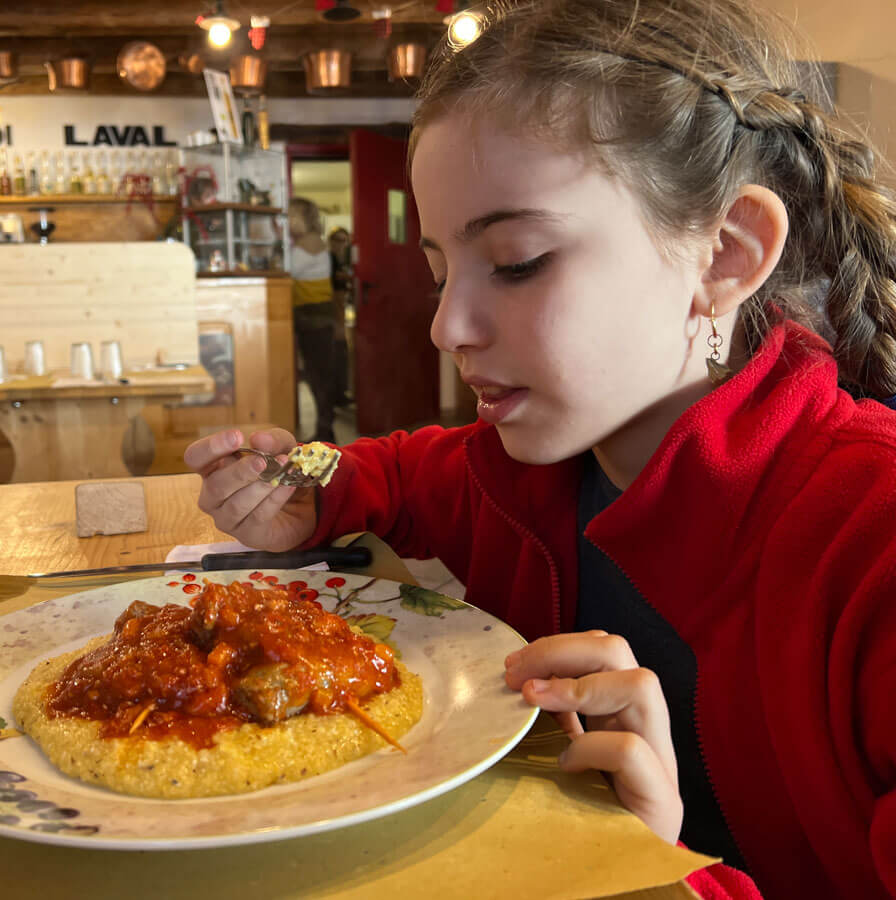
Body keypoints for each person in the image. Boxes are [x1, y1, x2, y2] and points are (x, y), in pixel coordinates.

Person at [184, 1, 896, 897]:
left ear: (725, 253)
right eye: (440, 272)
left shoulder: (870, 543)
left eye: (517, 261)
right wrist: (315, 495)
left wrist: (646, 876)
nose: (448, 327)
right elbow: (404, 472)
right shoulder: (528, 470)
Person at [288, 197, 337, 443]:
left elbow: (288, 273)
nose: (287, 221)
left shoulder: (298, 251)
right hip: (324, 317)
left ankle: (324, 431)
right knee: (323, 375)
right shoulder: (321, 244)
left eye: (290, 216)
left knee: (315, 376)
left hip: (309, 318)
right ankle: (326, 428)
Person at [328, 226, 353, 409]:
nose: (341, 244)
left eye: (344, 240)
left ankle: (339, 392)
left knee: (341, 349)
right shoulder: (329, 258)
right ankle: (337, 394)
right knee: (338, 348)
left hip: (340, 305)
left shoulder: (340, 258)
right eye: (338, 240)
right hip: (333, 306)